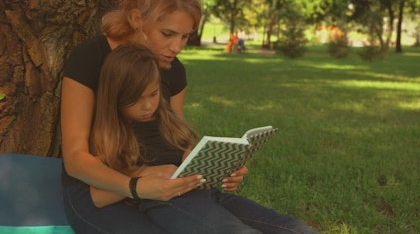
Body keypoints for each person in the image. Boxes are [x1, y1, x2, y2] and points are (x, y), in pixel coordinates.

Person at [60, 0, 317, 233]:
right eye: (168, 34)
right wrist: (135, 185)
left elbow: (175, 137)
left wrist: (214, 166)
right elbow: (75, 157)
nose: (176, 47)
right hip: (105, 191)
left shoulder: (173, 70)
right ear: (137, 19)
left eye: (185, 36)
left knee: (297, 230)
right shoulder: (91, 58)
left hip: (172, 185)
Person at [92, 43, 317, 233]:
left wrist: (209, 163)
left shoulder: (165, 119)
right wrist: (140, 175)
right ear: (116, 96)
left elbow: (182, 152)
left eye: (153, 94)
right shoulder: (112, 131)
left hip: (206, 194)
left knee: (295, 228)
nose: (149, 105)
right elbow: (99, 196)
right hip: (167, 202)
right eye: (136, 99)